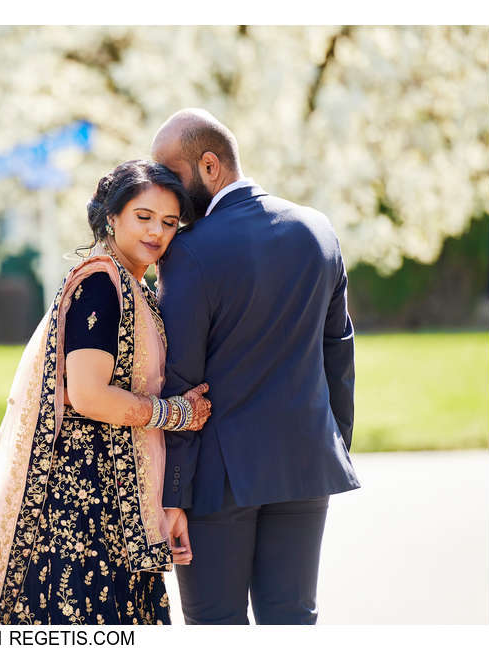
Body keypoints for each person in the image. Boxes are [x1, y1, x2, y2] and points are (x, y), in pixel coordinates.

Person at [0, 160, 212, 625]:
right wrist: (175, 414)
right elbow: (88, 394)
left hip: (115, 502)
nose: (157, 233)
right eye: (143, 217)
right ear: (112, 216)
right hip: (82, 506)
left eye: (169, 223)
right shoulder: (101, 286)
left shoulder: (133, 287)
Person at [151, 108, 360, 625]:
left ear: (209, 165)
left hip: (218, 481)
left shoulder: (189, 252)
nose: (164, 194)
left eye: (170, 177)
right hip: (305, 463)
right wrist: (332, 441)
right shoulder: (319, 230)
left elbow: (182, 380)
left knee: (215, 624)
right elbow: (339, 349)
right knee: (292, 621)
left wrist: (173, 493)